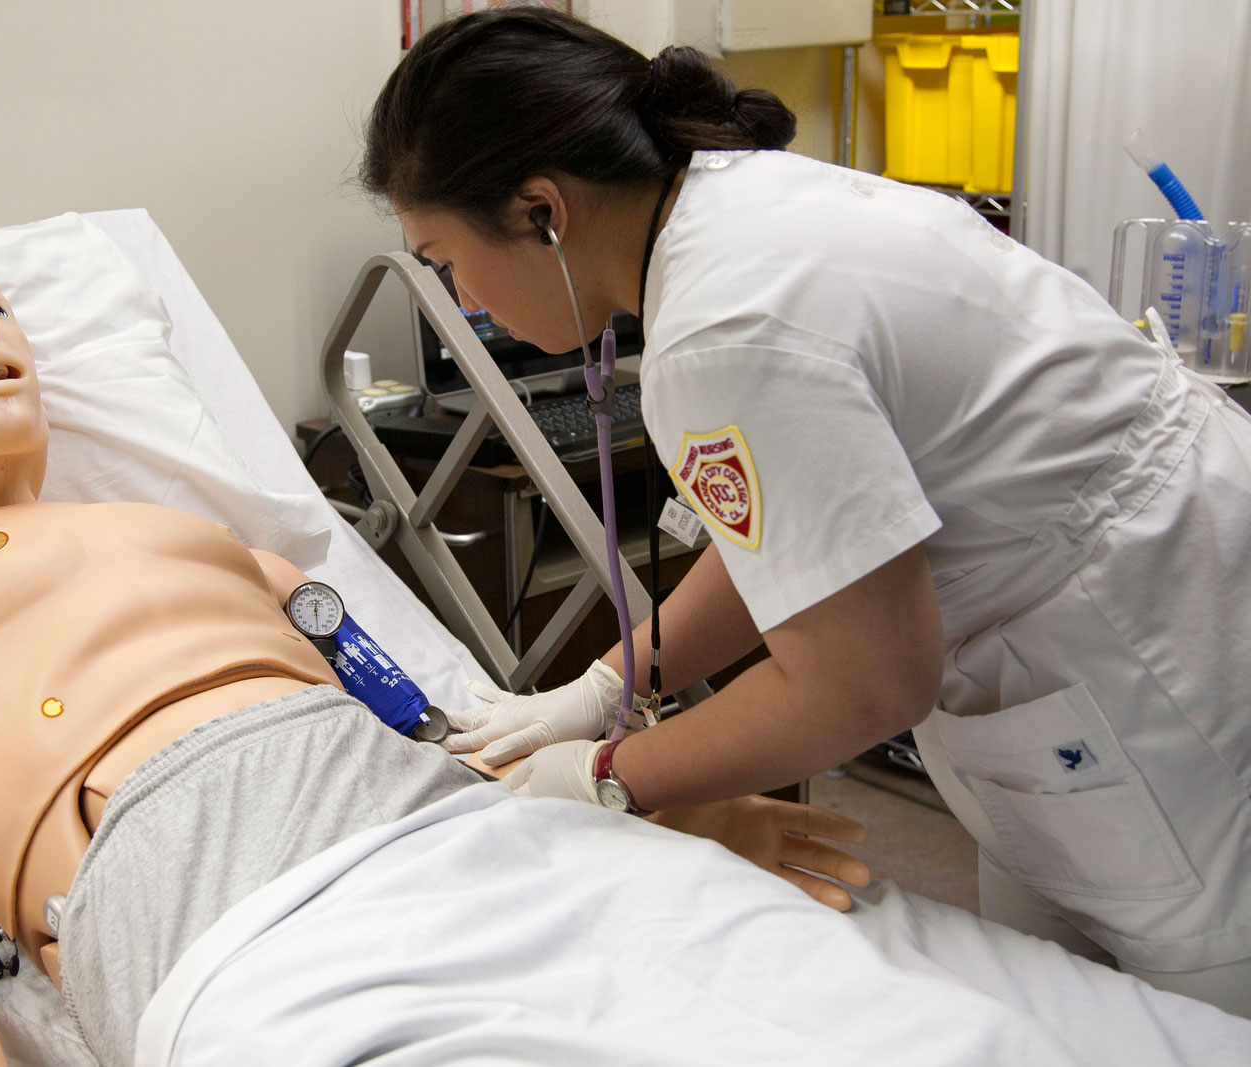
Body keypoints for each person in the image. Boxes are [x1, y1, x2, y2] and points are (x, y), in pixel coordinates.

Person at [0, 244, 873, 1065]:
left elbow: (424, 740)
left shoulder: (225, 552)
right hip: (193, 881)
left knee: (832, 1000)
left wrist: (659, 824)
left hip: (437, 824)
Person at [360, 6, 1251, 1015]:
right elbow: (806, 534)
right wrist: (608, 685)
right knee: (1055, 1005)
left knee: (1200, 1014)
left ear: (539, 210)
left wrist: (610, 772)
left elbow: (863, 684)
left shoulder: (725, 330)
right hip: (1126, 604)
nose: (461, 297)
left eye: (442, 259)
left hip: (1160, 669)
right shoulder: (741, 200)